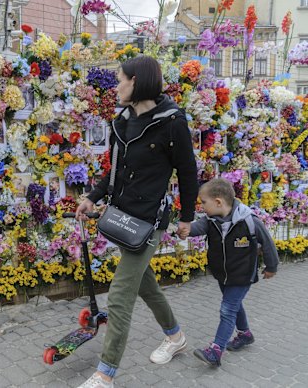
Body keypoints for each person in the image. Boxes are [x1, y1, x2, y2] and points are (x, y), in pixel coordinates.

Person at [75, 55, 198, 388]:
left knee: (119, 294)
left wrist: (187, 216)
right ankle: (175, 337)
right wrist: (92, 197)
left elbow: (187, 172)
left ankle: (105, 374)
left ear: (137, 81)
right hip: (122, 216)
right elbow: (112, 172)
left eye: (120, 80)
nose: (116, 87)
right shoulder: (122, 121)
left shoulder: (172, 122)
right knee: (144, 282)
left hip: (150, 221)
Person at [178, 178, 278, 367]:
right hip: (223, 274)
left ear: (218, 202)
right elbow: (197, 228)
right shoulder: (211, 220)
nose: (202, 207)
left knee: (228, 309)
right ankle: (245, 334)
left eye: (204, 203)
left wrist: (271, 267)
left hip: (242, 275)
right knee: (234, 305)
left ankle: (216, 351)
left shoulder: (249, 221)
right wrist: (186, 230)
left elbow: (268, 244)